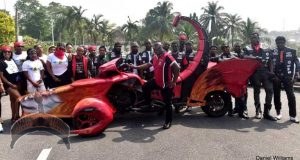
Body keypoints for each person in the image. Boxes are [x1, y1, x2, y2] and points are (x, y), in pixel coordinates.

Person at [130, 42, 180, 129]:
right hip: (157, 81)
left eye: (157, 49)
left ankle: (168, 122)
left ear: (161, 48)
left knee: (168, 103)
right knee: (145, 86)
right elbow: (147, 65)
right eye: (154, 49)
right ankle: (148, 103)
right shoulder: (155, 56)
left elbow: (177, 68)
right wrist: (135, 67)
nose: (155, 50)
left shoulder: (167, 56)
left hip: (166, 84)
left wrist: (173, 81)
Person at [244, 33, 277, 121]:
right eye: (252, 38)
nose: (253, 39)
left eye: (255, 38)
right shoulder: (247, 48)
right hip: (255, 73)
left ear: (258, 38)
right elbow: (244, 57)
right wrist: (254, 58)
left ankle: (267, 112)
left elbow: (270, 61)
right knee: (256, 91)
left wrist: (271, 72)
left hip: (266, 72)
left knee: (269, 90)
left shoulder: (266, 47)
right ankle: (258, 111)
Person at [272, 36, 300, 123]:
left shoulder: (292, 51)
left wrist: (297, 73)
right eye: (278, 42)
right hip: (276, 76)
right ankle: (278, 113)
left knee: (291, 95)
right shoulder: (273, 52)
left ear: (285, 42)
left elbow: (297, 62)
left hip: (288, 76)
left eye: (281, 42)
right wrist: (272, 74)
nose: (280, 44)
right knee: (276, 95)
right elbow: (270, 63)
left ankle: (293, 115)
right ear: (276, 43)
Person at [0, 45, 22, 123]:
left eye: (9, 52)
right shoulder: (1, 62)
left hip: (17, 83)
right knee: (19, 98)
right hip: (9, 85)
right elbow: (1, 76)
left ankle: (14, 117)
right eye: (5, 52)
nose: (7, 53)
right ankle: (16, 116)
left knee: (13, 100)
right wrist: (9, 84)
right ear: (2, 53)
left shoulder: (12, 60)